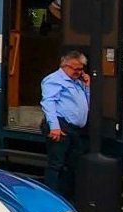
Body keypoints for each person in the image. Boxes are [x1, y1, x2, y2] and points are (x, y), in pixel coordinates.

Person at [39, 50, 92, 199]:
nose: (78, 72)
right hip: (60, 125)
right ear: (64, 66)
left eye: (81, 69)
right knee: (56, 164)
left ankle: (66, 196)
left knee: (72, 164)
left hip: (74, 128)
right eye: (75, 68)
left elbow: (86, 103)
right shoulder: (54, 80)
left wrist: (87, 87)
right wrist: (54, 126)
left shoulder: (77, 82)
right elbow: (48, 103)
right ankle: (51, 197)